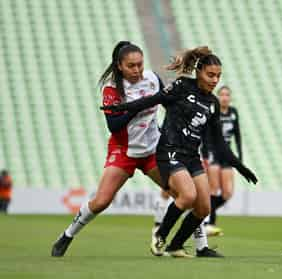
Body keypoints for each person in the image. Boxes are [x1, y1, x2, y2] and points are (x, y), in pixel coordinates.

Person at [51, 41, 220, 258]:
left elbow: (170, 99)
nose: (137, 70)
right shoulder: (112, 88)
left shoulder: (151, 79)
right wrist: (136, 105)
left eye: (140, 64)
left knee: (188, 196)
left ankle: (199, 246)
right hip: (124, 151)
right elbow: (114, 125)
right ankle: (67, 235)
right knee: (101, 201)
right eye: (131, 66)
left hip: (154, 150)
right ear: (120, 66)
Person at [101, 46, 257, 258]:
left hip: (192, 157)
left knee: (204, 208)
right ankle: (160, 235)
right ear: (199, 72)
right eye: (210, 75)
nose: (214, 80)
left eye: (218, 76)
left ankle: (176, 246)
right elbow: (153, 99)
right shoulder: (182, 86)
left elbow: (220, 143)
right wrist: (122, 108)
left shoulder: (212, 103)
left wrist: (240, 166)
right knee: (188, 196)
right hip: (169, 151)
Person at [201, 85, 242, 236]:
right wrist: (205, 154)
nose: (225, 97)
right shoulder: (212, 110)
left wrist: (240, 158)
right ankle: (209, 223)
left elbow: (238, 136)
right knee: (213, 189)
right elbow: (204, 133)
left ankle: (204, 211)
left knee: (227, 193)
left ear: (230, 98)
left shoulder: (233, 112)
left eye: (227, 95)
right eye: (222, 95)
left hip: (227, 155)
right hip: (213, 152)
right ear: (218, 97)